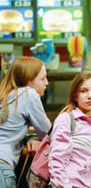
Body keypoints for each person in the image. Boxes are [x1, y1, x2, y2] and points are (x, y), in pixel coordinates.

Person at [48, 70, 91, 188]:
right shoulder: (67, 118)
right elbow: (56, 161)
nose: (90, 96)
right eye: (83, 91)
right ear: (75, 95)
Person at [0, 56, 52, 188]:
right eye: (42, 78)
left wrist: (29, 138)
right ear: (29, 82)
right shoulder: (28, 94)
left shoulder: (6, 96)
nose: (47, 82)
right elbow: (49, 134)